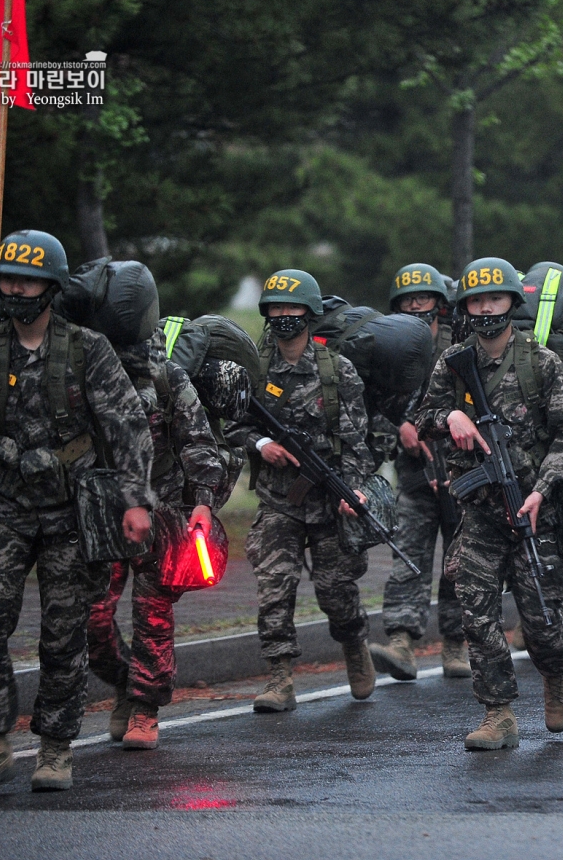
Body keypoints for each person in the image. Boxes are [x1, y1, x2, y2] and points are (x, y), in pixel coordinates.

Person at [0, 230, 154, 793]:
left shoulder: (87, 348)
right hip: (4, 508)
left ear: (51, 287)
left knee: (65, 635)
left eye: (27, 279)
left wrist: (135, 501)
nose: (15, 288)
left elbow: (127, 427)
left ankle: (55, 748)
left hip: (70, 513)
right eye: (7, 278)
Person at [415, 256, 563, 750]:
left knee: (542, 621)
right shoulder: (453, 364)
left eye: (495, 298)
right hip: (480, 514)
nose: (486, 308)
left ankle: (556, 674)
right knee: (476, 613)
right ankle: (498, 713)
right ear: (465, 307)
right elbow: (423, 416)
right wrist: (451, 416)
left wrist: (539, 490)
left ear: (513, 302)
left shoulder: (543, 363)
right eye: (477, 300)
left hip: (535, 511)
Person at [224, 269, 378, 712]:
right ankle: (279, 677)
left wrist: (354, 491)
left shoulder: (337, 370)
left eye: (292, 308)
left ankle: (354, 646)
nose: (284, 316)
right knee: (275, 586)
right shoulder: (253, 367)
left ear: (310, 313)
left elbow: (356, 441)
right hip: (279, 501)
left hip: (329, 501)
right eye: (276, 308)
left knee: (336, 591)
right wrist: (261, 444)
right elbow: (234, 423)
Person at [87, 334, 224, 750]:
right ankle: (126, 682)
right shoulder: (87, 364)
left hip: (160, 509)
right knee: (92, 615)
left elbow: (198, 443)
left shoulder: (166, 376)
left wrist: (203, 501)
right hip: (103, 508)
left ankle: (145, 709)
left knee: (153, 614)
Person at [370, 263, 471, 681]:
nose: (415, 305)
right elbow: (375, 404)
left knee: (461, 560)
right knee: (408, 556)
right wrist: (401, 429)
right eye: (407, 300)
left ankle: (458, 643)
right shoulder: (390, 348)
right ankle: (401, 642)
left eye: (422, 298)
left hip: (462, 470)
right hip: (414, 473)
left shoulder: (460, 346)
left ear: (438, 304)